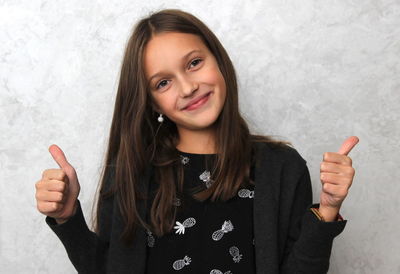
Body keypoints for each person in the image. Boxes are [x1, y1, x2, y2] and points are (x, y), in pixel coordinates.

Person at [34, 9, 359, 274]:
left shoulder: (282, 167)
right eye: (163, 83)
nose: (188, 87)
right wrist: (67, 217)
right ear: (151, 103)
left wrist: (327, 210)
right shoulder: (132, 170)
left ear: (219, 60)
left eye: (193, 63)